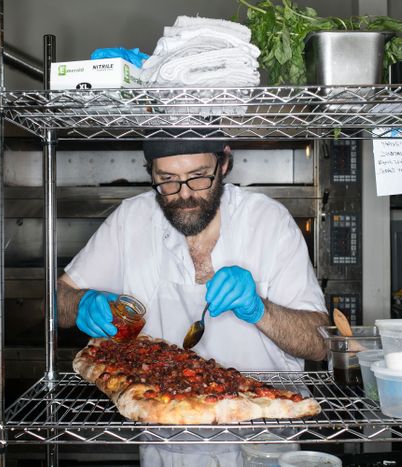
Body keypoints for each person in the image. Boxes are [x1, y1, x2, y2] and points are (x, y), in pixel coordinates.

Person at [57, 137, 330, 466]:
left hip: (265, 442)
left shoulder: (269, 222)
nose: (184, 194)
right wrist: (81, 302)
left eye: (199, 177)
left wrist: (260, 309)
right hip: (166, 446)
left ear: (224, 163)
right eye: (167, 180)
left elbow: (320, 343)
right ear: (151, 173)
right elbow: (58, 300)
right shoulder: (131, 219)